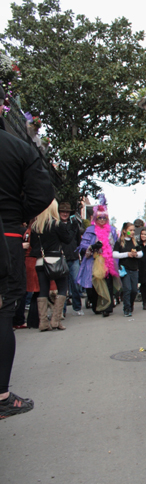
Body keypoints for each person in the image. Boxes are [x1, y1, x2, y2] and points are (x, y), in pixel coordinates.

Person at [0, 128, 54, 419]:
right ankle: (2, 397)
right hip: (6, 233)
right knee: (2, 313)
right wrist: (18, 213)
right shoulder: (18, 148)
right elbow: (42, 193)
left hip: (8, 230)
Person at [29, 200, 72, 331]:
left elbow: (32, 244)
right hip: (55, 260)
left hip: (40, 261)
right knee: (62, 288)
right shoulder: (56, 224)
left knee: (43, 290)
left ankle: (43, 323)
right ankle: (56, 320)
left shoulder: (36, 225)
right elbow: (68, 239)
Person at [77, 196, 119, 318]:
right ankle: (96, 305)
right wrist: (92, 246)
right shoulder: (90, 230)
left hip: (108, 260)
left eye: (104, 218)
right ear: (95, 218)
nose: (101, 220)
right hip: (93, 260)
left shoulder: (111, 230)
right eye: (99, 218)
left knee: (108, 283)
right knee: (93, 286)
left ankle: (108, 307)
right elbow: (83, 245)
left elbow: (116, 245)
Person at [58, 202, 84, 316]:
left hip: (73, 257)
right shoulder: (56, 225)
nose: (64, 214)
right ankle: (62, 310)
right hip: (61, 258)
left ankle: (77, 307)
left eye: (66, 212)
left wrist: (78, 253)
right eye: (62, 211)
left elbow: (78, 241)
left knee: (76, 284)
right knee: (62, 286)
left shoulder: (74, 225)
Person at [113, 222, 143, 317]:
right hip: (124, 269)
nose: (132, 232)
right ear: (125, 231)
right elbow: (114, 254)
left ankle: (130, 304)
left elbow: (141, 253)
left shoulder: (135, 242)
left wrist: (136, 254)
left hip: (134, 269)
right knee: (127, 289)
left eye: (133, 230)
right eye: (130, 230)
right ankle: (126, 308)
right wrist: (127, 254)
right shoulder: (119, 242)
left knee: (134, 290)